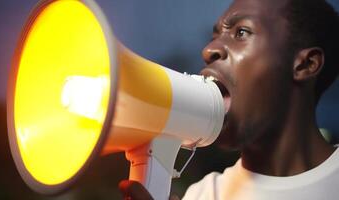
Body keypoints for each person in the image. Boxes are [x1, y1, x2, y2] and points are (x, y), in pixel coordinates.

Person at [119, 0, 339, 199]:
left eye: (241, 32)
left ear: (306, 64)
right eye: (214, 37)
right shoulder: (203, 194)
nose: (208, 50)